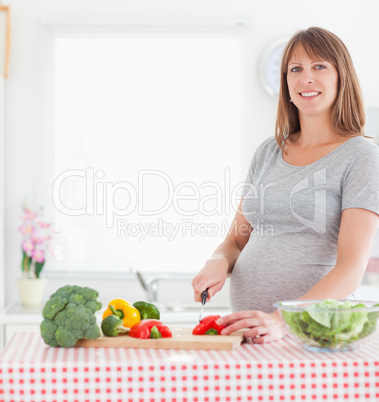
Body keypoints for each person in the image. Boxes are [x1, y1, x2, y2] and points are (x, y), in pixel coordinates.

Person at [192, 27, 379, 344]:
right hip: (251, 336)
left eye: (319, 66)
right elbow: (237, 241)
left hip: (310, 336)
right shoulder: (268, 151)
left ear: (341, 77)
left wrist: (283, 321)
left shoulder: (362, 156)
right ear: (287, 85)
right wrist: (217, 261)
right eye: (296, 69)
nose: (306, 78)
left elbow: (351, 266)